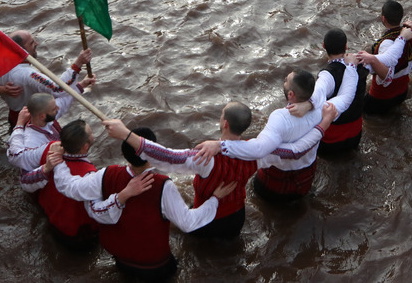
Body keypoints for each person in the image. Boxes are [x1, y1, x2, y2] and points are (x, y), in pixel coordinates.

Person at [102, 102, 329, 239]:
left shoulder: (205, 158)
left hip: (207, 218)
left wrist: (126, 135)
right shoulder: (260, 152)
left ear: (225, 124)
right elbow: (296, 151)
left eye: (221, 115)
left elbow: (169, 157)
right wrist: (323, 122)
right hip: (236, 217)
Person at [55, 127, 235, 281]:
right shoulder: (164, 186)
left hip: (120, 260)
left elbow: (70, 187)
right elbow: (188, 223)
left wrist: (58, 162)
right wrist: (214, 200)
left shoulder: (105, 174)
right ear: (152, 153)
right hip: (155, 267)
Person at [194, 71, 341, 202]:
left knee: (262, 202)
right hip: (305, 179)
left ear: (290, 94)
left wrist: (219, 145)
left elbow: (259, 149)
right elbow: (334, 83)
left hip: (274, 184)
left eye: (286, 80)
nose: (284, 80)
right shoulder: (324, 107)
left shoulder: (280, 118)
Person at [0, 30, 95, 127]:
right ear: (21, 50)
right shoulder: (27, 74)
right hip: (33, 121)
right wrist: (78, 63)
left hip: (15, 116)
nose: (36, 44)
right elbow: (59, 89)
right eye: (31, 43)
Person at [30, 119, 101, 250]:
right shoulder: (89, 174)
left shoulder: (50, 152)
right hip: (74, 234)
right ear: (85, 146)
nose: (93, 135)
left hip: (51, 218)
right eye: (91, 133)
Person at [6, 90, 88, 190]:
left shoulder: (47, 118)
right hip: (52, 182)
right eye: (54, 109)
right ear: (42, 116)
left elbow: (63, 101)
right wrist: (46, 169)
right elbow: (25, 179)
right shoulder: (31, 142)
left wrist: (81, 86)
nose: (58, 108)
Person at [356, 1, 412, 115]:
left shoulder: (386, 43)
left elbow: (385, 71)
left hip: (381, 97)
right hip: (403, 91)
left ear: (383, 18)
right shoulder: (410, 33)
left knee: (367, 119)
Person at [316, 29, 369, 154]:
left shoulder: (326, 75)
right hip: (355, 135)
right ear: (345, 46)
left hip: (331, 140)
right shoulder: (360, 64)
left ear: (324, 46)